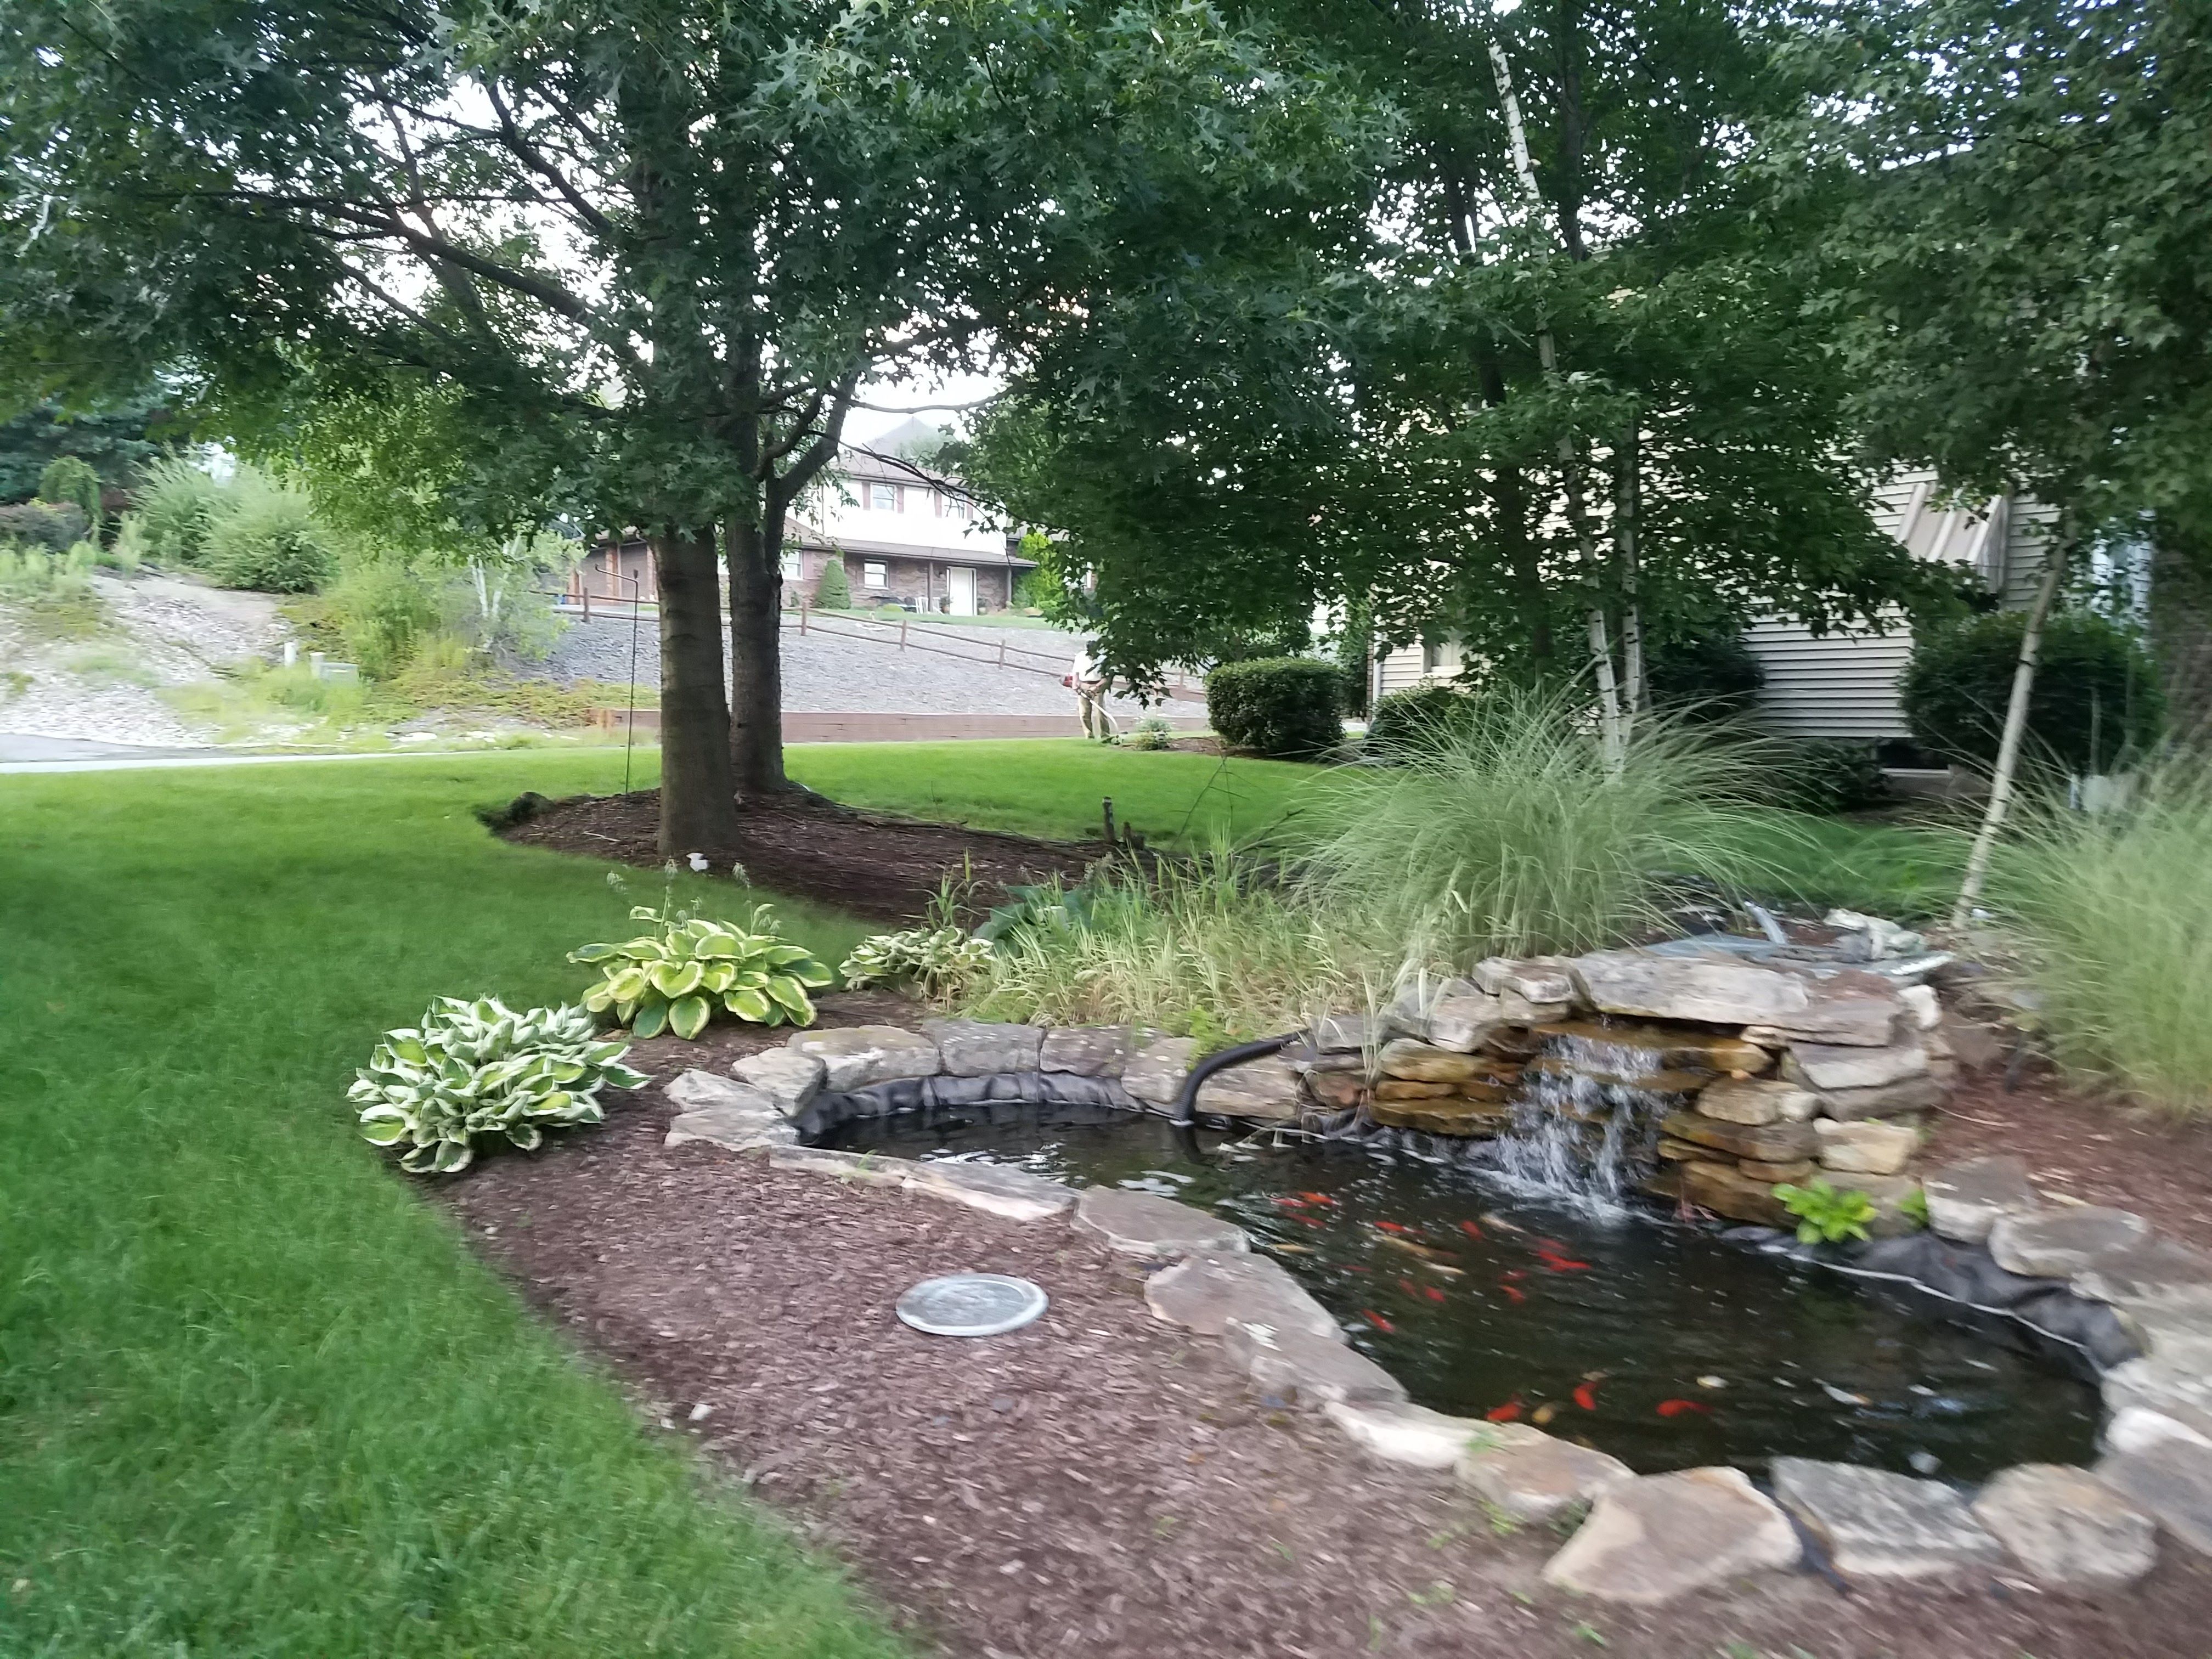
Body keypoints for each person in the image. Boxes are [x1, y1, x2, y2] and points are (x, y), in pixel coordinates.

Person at [1065, 641, 1111, 741]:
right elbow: (1076, 672)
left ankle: (1105, 735)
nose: (1092, 654)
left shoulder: (1103, 659)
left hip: (1097, 685)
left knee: (1100, 711)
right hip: (1083, 685)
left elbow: (1106, 678)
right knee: (1084, 713)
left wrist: (1097, 687)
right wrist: (1075, 685)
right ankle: (1089, 735)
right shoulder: (1081, 656)